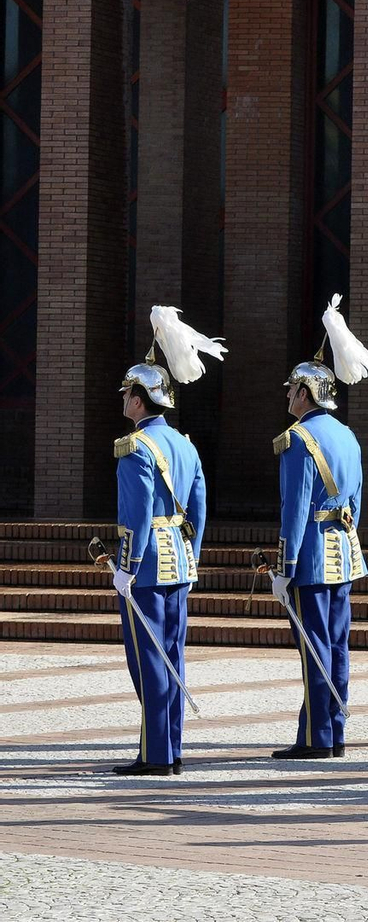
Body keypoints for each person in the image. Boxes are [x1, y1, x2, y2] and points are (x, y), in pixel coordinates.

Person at [110, 307, 223, 775]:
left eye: (127, 394)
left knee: (149, 660)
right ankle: (170, 749)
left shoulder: (134, 446)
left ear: (140, 400)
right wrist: (192, 557)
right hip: (178, 559)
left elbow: (136, 514)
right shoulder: (185, 444)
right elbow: (197, 506)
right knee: (172, 655)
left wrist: (127, 566)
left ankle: (155, 754)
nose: (123, 401)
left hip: (149, 563)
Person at [271, 296, 368, 760]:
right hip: (344, 547)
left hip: (311, 553)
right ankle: (334, 730)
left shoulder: (298, 438)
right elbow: (355, 498)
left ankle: (316, 736)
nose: (288, 396)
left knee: (314, 645)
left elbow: (294, 507)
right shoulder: (346, 434)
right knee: (337, 643)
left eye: (292, 389)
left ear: (306, 394)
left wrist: (284, 564)